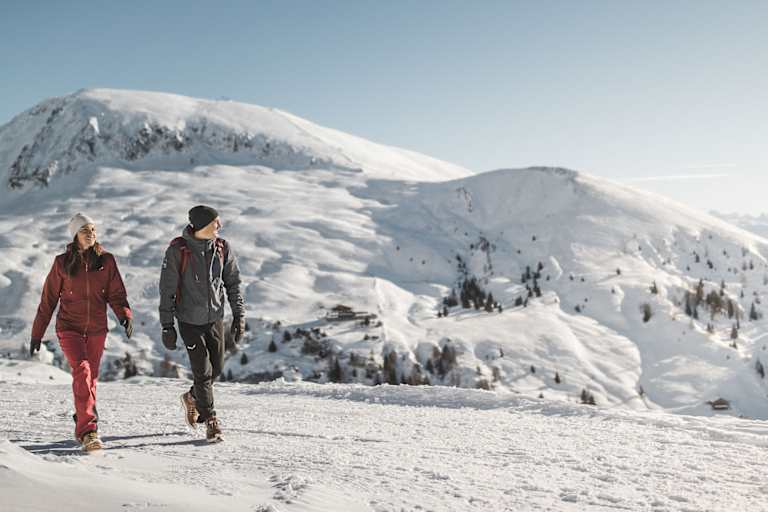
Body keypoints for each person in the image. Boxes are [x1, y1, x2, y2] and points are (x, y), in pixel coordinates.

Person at [31, 213, 133, 452]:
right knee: (83, 370)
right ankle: (88, 431)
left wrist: (124, 314)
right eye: (85, 229)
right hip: (69, 328)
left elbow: (116, 294)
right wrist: (37, 334)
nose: (91, 233)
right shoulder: (62, 263)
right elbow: (47, 301)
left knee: (91, 378)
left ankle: (83, 415)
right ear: (75, 234)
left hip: (97, 329)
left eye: (93, 229)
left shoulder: (106, 261)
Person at [159, 205, 244, 442]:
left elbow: (233, 283)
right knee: (203, 372)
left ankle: (192, 397)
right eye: (216, 222)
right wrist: (167, 325)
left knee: (215, 368)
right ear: (203, 225)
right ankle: (212, 421)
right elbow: (166, 290)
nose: (220, 226)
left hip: (215, 319)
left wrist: (239, 315)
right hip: (188, 321)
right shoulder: (178, 251)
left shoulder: (222, 248)